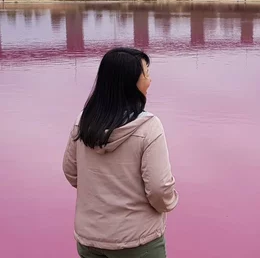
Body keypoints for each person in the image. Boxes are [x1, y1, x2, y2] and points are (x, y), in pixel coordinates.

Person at [63, 47, 179, 258]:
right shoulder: (149, 127)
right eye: (146, 75)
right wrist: (170, 203)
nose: (150, 81)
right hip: (137, 242)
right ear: (129, 84)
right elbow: (159, 190)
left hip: (91, 240)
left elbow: (71, 172)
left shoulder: (84, 121)